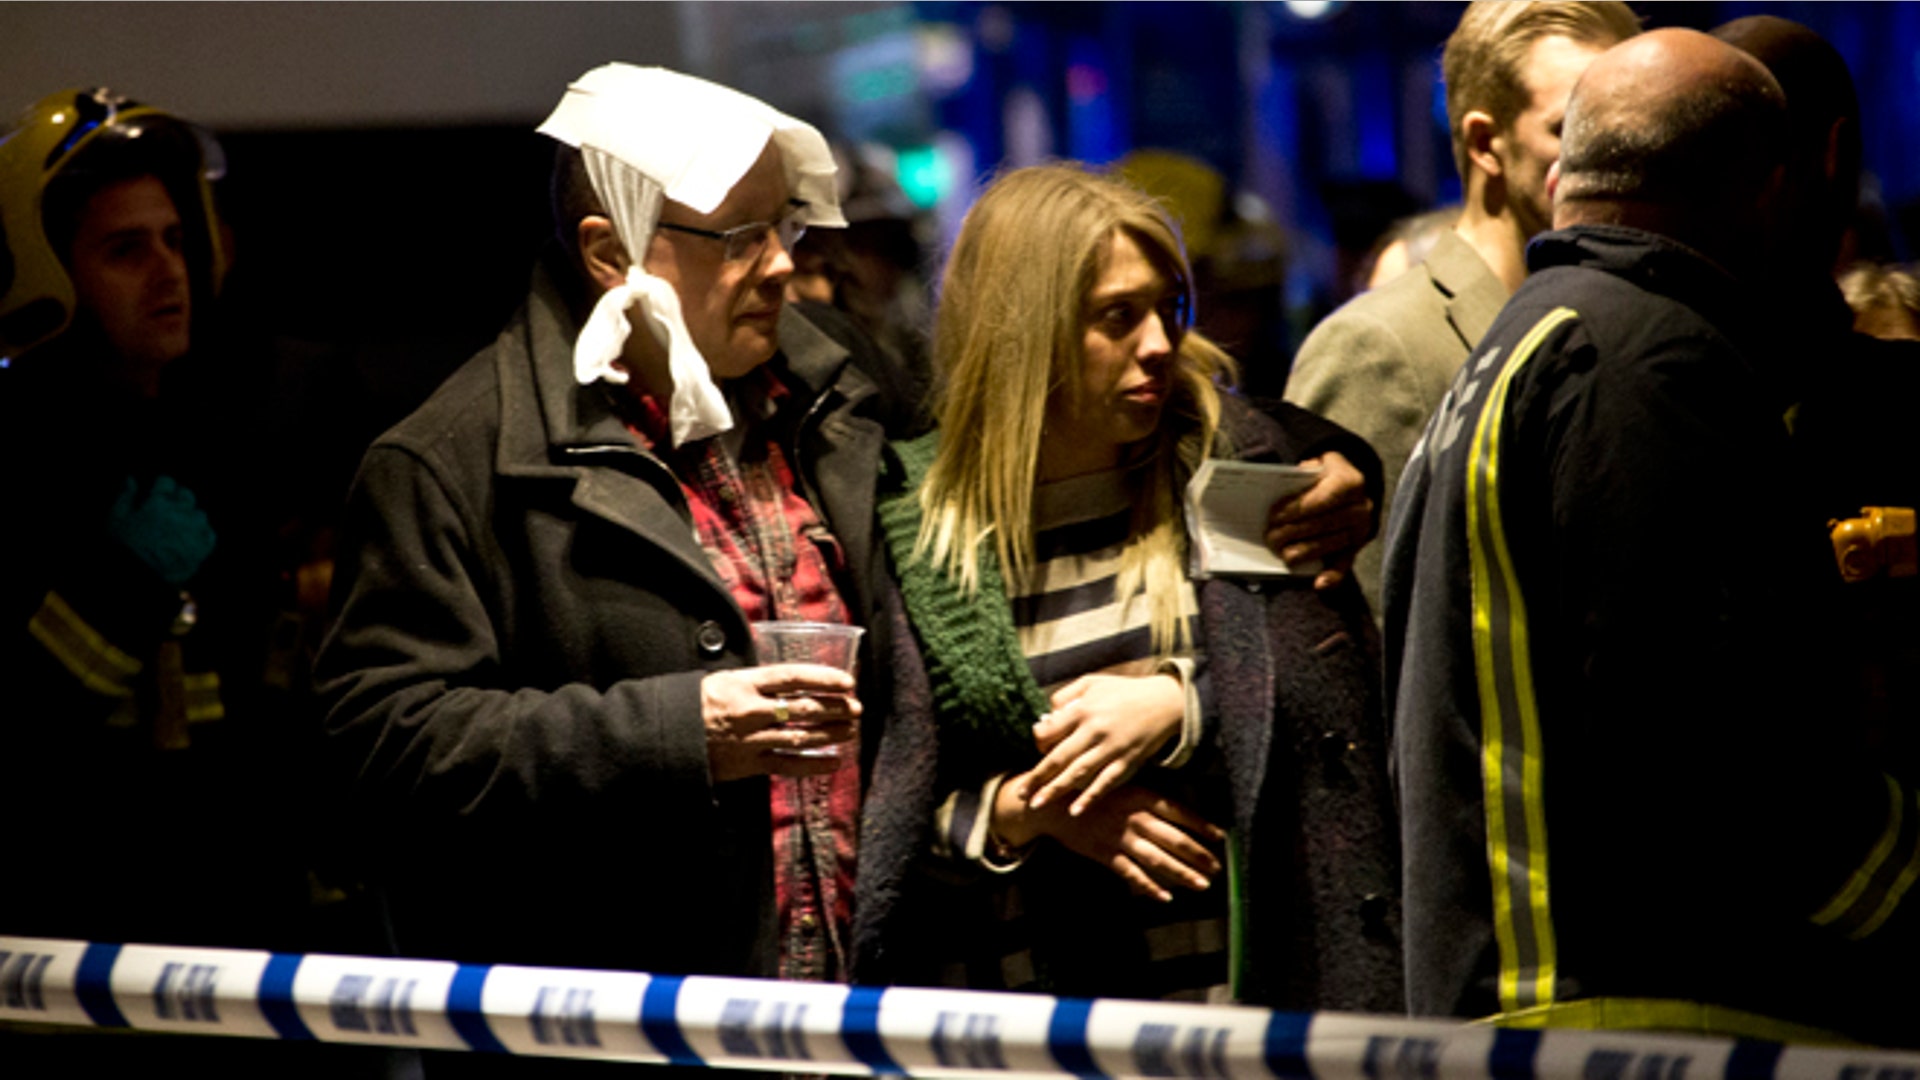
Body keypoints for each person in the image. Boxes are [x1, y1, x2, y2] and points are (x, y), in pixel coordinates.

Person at [314, 65, 915, 999]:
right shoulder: (454, 458)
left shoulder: (842, 391)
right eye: (741, 239)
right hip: (625, 1022)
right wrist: (679, 730)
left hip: (867, 1004)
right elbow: (386, 744)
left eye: (786, 226)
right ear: (611, 254)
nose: (785, 264)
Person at [1383, 28, 1920, 1044]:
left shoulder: (1524, 343)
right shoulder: (1653, 365)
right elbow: (1728, 747)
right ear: (1772, 191)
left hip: (1531, 1007)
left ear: (1565, 178)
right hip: (1645, 1011)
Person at [853, 163, 1402, 1013]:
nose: (1159, 344)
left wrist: (1181, 709)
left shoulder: (1230, 465)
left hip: (1242, 1013)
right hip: (1020, 1034)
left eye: (1168, 309)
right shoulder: (918, 527)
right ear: (1025, 330)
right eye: (1118, 317)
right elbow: (877, 817)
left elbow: (1342, 703)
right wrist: (1027, 811)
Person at [1284, 1, 1638, 617]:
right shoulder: (1381, 345)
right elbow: (1344, 633)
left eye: (1623, 128)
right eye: (1571, 129)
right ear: (1485, 142)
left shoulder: (1617, 320)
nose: (1611, 157)